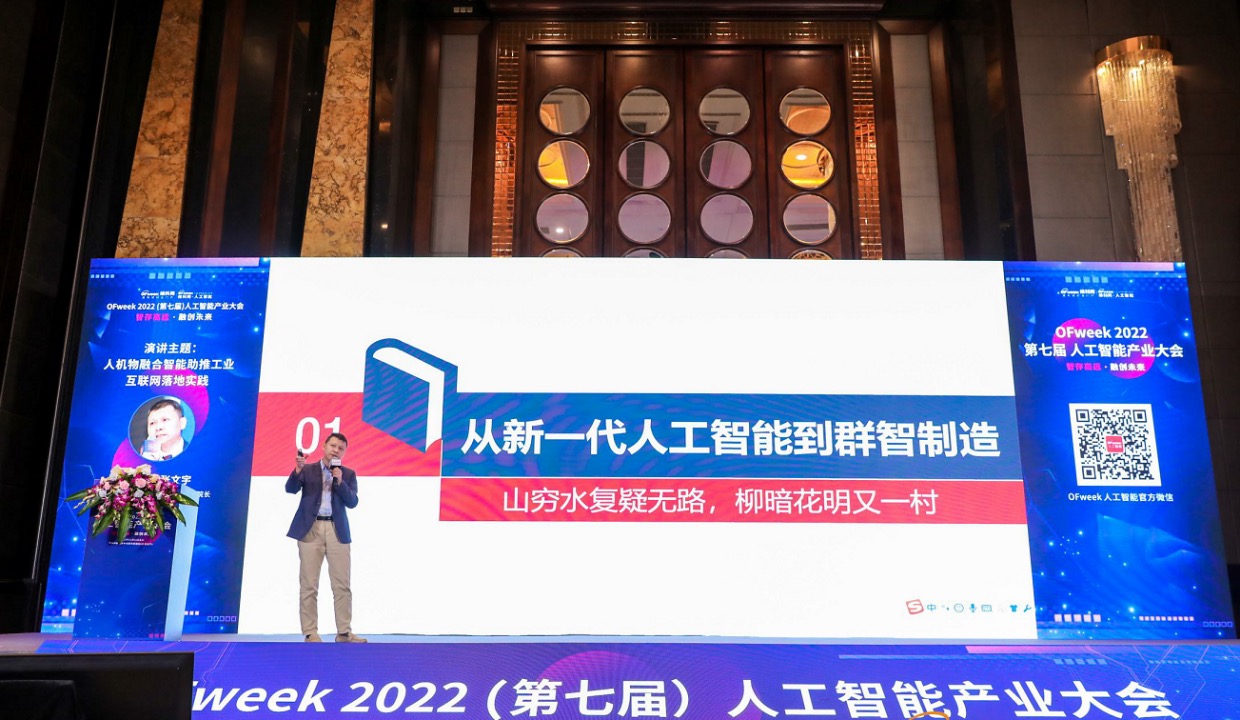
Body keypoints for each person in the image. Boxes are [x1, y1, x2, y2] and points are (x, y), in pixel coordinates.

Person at [285, 432, 366, 643]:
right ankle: (310, 632)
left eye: (340, 448)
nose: (335, 450)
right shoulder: (308, 469)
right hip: (310, 529)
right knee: (309, 584)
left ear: (344, 453)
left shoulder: (348, 474)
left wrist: (339, 481)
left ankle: (344, 632)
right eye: (333, 446)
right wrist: (297, 470)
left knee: (342, 585)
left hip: (337, 530)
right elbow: (290, 489)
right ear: (324, 446)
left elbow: (352, 502)